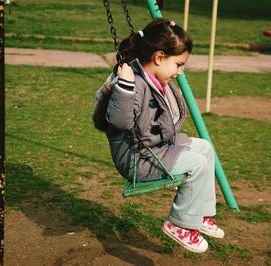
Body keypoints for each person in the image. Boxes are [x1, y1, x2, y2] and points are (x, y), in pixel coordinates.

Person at [93, 18, 224, 253]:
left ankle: (198, 214)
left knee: (204, 147)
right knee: (196, 163)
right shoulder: (133, 82)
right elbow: (119, 120)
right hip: (137, 160)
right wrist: (124, 86)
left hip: (155, 150)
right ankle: (179, 224)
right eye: (178, 64)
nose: (180, 72)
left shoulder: (155, 79)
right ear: (160, 57)